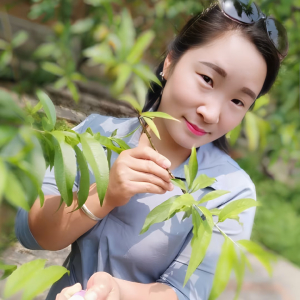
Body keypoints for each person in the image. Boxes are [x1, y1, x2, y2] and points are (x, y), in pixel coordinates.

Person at [15, 1, 288, 300]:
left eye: (238, 101)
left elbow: (188, 293)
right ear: (170, 62)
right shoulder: (99, 135)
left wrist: (116, 291)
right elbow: (30, 233)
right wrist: (105, 193)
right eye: (207, 79)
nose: (211, 113)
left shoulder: (231, 192)